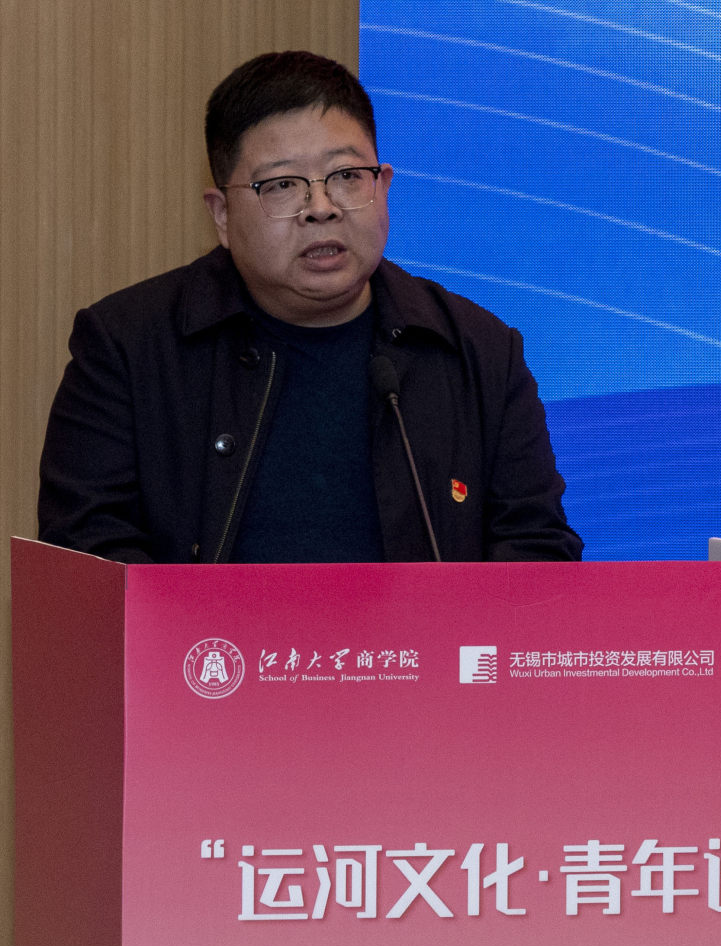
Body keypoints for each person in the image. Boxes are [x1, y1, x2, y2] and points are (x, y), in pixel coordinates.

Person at [38, 50, 581, 563]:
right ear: (222, 215)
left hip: (424, 638)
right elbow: (86, 553)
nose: (321, 208)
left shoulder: (478, 352)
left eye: (346, 177)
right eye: (282, 185)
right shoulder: (126, 348)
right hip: (207, 637)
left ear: (384, 185)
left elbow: (536, 548)